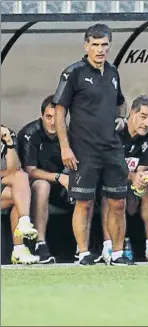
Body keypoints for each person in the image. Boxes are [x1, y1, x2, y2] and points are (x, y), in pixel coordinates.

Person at [52, 23, 131, 266]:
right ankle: (83, 252)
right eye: (95, 45)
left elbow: (121, 102)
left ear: (109, 46)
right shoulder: (73, 72)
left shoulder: (113, 72)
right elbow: (59, 111)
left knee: (118, 201)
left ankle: (117, 254)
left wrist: (121, 117)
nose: (100, 50)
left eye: (104, 45)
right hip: (83, 150)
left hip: (111, 148)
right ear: (86, 45)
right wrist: (65, 147)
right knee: (84, 202)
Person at [100, 95, 148, 264]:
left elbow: (143, 168)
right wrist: (132, 177)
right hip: (105, 181)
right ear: (132, 113)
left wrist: (143, 180)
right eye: (143, 117)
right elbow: (106, 168)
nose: (147, 123)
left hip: (129, 182)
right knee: (111, 190)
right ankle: (108, 245)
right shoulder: (115, 130)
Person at [17, 95, 73, 264]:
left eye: (57, 118)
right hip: (32, 188)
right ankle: (40, 244)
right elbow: (30, 171)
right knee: (42, 186)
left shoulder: (69, 134)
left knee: (86, 184)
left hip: (62, 183)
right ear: (42, 116)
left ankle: (85, 247)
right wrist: (58, 177)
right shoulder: (30, 133)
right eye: (49, 117)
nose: (52, 122)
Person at [1, 125, 39, 264]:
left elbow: (14, 169)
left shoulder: (6, 134)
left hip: (4, 187)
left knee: (19, 187)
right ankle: (19, 248)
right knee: (20, 194)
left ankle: (23, 222)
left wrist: (9, 143)